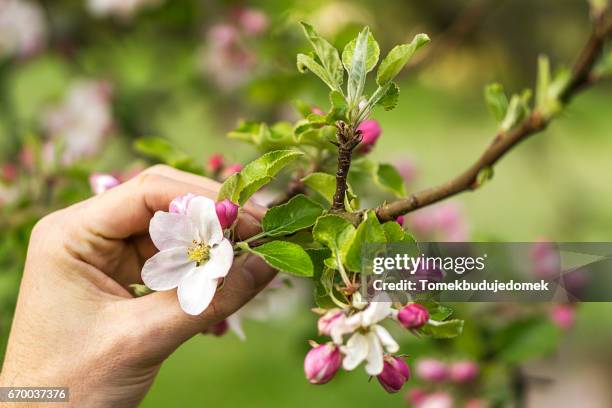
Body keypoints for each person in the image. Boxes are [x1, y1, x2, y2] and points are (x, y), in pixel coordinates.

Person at [0, 165, 277, 407]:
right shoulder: (194, 259)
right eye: (196, 249)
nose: (196, 251)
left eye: (197, 249)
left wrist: (26, 397)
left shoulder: (208, 243)